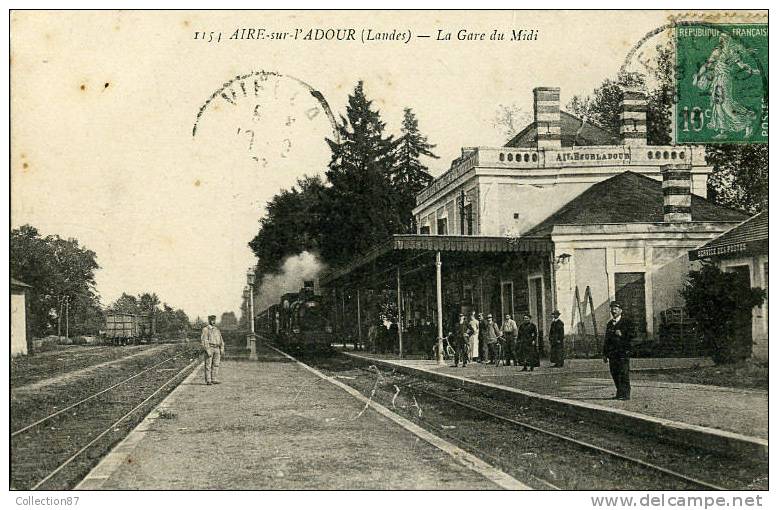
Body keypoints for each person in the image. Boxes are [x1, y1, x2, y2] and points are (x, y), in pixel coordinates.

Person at [603, 302, 634, 400]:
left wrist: (622, 334)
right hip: (612, 354)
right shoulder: (609, 324)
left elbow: (633, 335)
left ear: (621, 310)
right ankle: (619, 392)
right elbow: (606, 340)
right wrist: (605, 354)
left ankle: (625, 394)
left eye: (616, 309)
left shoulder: (627, 322)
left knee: (623, 372)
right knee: (614, 372)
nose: (613, 311)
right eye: (612, 309)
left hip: (623, 352)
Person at [201, 315, 225, 385]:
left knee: (216, 364)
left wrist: (222, 349)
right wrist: (207, 350)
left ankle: (214, 379)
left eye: (214, 320)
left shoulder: (217, 329)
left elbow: (221, 340)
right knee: (208, 365)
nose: (213, 321)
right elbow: (204, 340)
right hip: (210, 348)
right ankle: (208, 380)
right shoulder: (206, 329)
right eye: (212, 320)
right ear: (209, 321)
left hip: (217, 348)